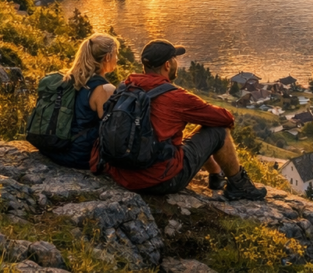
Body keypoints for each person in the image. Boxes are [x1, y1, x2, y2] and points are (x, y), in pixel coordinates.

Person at [99, 39, 267, 200]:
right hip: (160, 180)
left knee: (173, 135)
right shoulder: (176, 96)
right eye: (174, 59)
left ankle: (216, 175)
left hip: (121, 174)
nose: (176, 62)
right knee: (218, 130)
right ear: (167, 65)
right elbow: (225, 118)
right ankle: (239, 186)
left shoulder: (126, 86)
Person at [41, 33, 119, 169]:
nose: (117, 59)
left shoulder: (67, 78)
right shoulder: (105, 89)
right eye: (116, 54)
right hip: (80, 156)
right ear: (107, 57)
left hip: (54, 148)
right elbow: (112, 131)